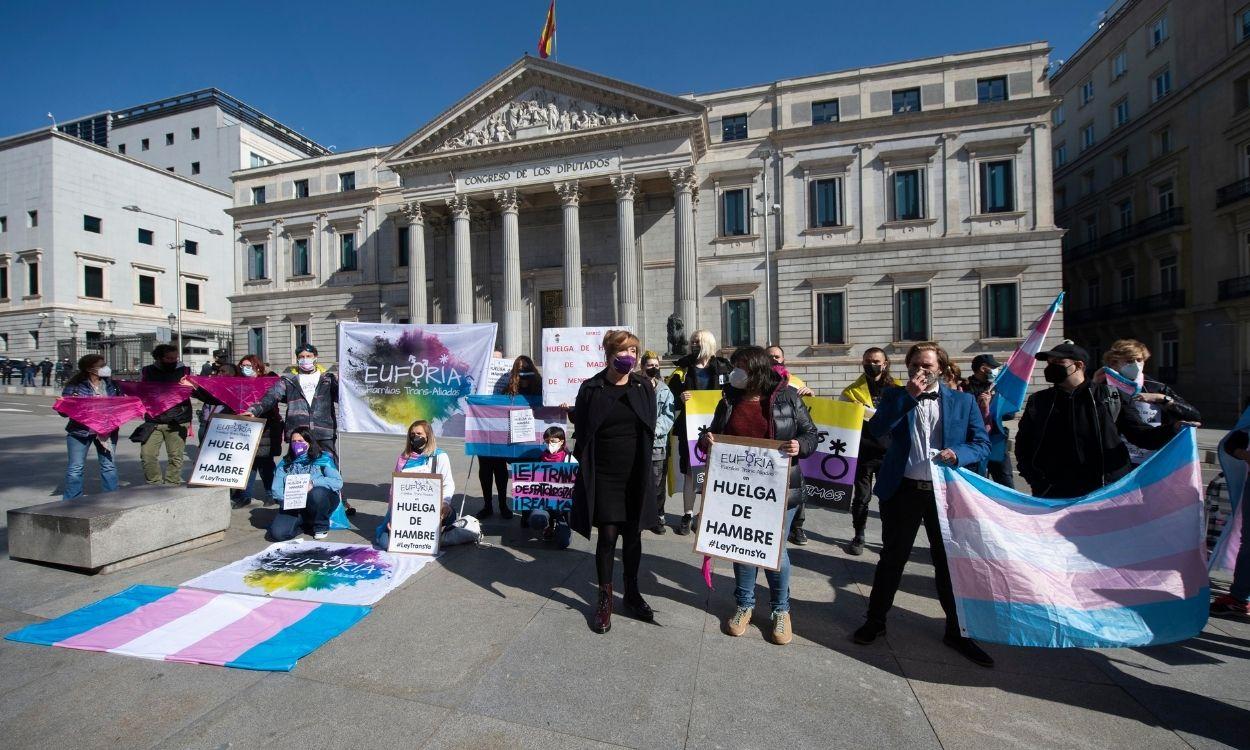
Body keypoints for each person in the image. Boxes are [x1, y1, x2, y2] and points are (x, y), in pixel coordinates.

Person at [852, 342, 995, 667]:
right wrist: (908, 398)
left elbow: (981, 443)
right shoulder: (895, 396)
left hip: (944, 494)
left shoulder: (963, 401)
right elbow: (877, 428)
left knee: (947, 562)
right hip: (902, 490)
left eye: (927, 366)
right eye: (914, 365)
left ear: (941, 369)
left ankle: (957, 631)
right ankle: (876, 620)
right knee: (892, 558)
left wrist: (960, 455)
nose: (920, 371)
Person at [702, 346, 819, 646]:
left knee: (775, 551)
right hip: (738, 490)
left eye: (739, 366)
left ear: (755, 369)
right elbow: (712, 436)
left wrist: (798, 446)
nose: (733, 372)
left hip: (781, 490)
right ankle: (744, 605)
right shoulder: (728, 399)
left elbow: (811, 435)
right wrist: (708, 440)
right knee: (742, 546)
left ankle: (781, 611)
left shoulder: (787, 397)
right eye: (733, 366)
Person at [1014, 342, 1194, 499]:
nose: (1051, 367)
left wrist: (1173, 428)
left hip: (1104, 491)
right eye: (1049, 363)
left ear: (1078, 365)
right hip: (1052, 492)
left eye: (1058, 363)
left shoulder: (1111, 397)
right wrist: (1036, 480)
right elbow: (1024, 444)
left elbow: (1142, 435)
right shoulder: (1039, 400)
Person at [570, 329, 658, 634]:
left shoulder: (644, 386)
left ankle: (631, 594)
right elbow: (582, 431)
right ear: (609, 355)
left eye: (634, 351)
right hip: (605, 474)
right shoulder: (591, 389)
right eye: (624, 351)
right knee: (607, 537)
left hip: (636, 473)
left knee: (633, 537)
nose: (630, 357)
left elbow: (651, 425)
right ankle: (605, 599)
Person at [248, 343, 356, 516]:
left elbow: (344, 397)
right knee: (297, 465)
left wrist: (344, 380)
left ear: (315, 357)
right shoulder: (288, 380)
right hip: (299, 433)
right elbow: (270, 397)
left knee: (330, 466)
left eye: (309, 356)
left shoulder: (327, 379)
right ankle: (297, 500)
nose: (305, 359)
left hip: (324, 431)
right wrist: (254, 411)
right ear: (297, 359)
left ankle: (340, 501)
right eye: (301, 357)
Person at [667, 329, 732, 535]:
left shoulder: (723, 367)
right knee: (690, 473)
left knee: (712, 474)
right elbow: (669, 397)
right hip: (690, 429)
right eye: (692, 341)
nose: (694, 344)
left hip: (717, 429)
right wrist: (680, 398)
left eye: (698, 341)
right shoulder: (682, 369)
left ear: (708, 343)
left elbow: (735, 394)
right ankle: (687, 514)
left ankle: (704, 514)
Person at [1100, 338, 1200, 465]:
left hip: (1151, 457)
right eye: (1129, 361)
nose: (1136, 364)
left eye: (1139, 360)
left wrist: (1161, 398)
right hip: (1115, 457)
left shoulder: (1156, 387)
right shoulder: (1102, 387)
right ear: (1114, 363)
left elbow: (1194, 415)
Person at [840, 347, 898, 555]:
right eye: (867, 361)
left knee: (888, 499)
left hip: (889, 454)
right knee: (862, 497)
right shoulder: (852, 391)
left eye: (875, 361)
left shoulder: (898, 388)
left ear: (885, 363)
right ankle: (859, 535)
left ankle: (888, 539)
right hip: (863, 453)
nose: (871, 365)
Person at [374, 420, 456, 549]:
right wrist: (395, 517)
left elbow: (448, 483)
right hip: (408, 511)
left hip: (434, 510)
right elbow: (395, 490)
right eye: (412, 434)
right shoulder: (404, 458)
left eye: (419, 433)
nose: (415, 437)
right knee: (385, 543)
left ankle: (438, 535)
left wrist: (445, 503)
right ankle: (434, 539)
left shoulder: (439, 456)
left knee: (450, 515)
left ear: (428, 436)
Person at [477, 355, 541, 520]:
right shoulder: (509, 389)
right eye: (520, 370)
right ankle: (490, 505)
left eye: (526, 369)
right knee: (490, 467)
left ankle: (522, 511)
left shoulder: (539, 388)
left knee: (527, 473)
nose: (523, 373)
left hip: (529, 438)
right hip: (503, 434)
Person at [767, 345, 814, 545]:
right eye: (770, 357)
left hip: (791, 447)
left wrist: (810, 394)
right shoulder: (758, 384)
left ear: (784, 359)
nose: (774, 360)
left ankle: (798, 526)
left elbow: (809, 422)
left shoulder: (795, 383)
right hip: (770, 448)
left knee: (796, 488)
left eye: (777, 357)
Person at [60, 354, 122, 500]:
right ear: (90, 369)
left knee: (109, 466)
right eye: (102, 365)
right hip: (80, 431)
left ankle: (112, 498)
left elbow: (120, 403)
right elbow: (64, 411)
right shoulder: (75, 385)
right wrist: (66, 404)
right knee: (76, 468)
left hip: (107, 431)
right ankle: (72, 501)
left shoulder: (111, 384)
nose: (105, 368)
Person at [269, 428, 343, 541]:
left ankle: (320, 527)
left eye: (301, 441)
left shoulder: (322, 459)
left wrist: (313, 483)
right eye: (294, 441)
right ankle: (306, 524)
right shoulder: (285, 463)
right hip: (294, 505)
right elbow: (276, 488)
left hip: (319, 500)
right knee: (278, 534)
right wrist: (287, 499)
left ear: (309, 442)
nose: (297, 444)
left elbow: (337, 482)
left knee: (317, 493)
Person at [231, 355, 282, 508]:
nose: (244, 368)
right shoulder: (238, 383)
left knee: (266, 464)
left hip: (266, 428)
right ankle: (245, 495)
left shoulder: (269, 381)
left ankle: (271, 494)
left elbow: (273, 396)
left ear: (257, 367)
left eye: (248, 365)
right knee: (247, 464)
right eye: (242, 365)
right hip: (245, 428)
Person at [139, 344, 192, 485]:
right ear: (159, 358)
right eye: (168, 358)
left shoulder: (185, 371)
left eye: (175, 358)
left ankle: (171, 484)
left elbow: (193, 391)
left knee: (175, 456)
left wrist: (190, 386)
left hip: (177, 420)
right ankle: (154, 484)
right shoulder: (147, 371)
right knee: (147, 455)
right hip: (153, 420)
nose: (172, 361)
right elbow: (142, 391)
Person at [964, 354, 1015, 489]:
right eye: (993, 367)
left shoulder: (997, 388)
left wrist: (994, 404)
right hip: (974, 441)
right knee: (976, 483)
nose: (996, 371)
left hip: (996, 441)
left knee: (1005, 482)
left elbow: (1009, 415)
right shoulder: (964, 388)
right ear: (983, 368)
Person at [642, 351, 676, 534]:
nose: (653, 368)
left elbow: (668, 416)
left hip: (657, 445)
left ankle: (657, 517)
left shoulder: (665, 390)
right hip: (638, 445)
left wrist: (652, 431)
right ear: (643, 367)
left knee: (657, 484)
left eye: (656, 365)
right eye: (650, 365)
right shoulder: (635, 387)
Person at [531, 425, 577, 545]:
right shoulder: (540, 458)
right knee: (537, 519)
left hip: (562, 504)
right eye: (547, 441)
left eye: (553, 441)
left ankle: (563, 524)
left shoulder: (570, 460)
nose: (549, 444)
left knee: (563, 543)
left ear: (561, 441)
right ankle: (547, 527)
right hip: (544, 501)